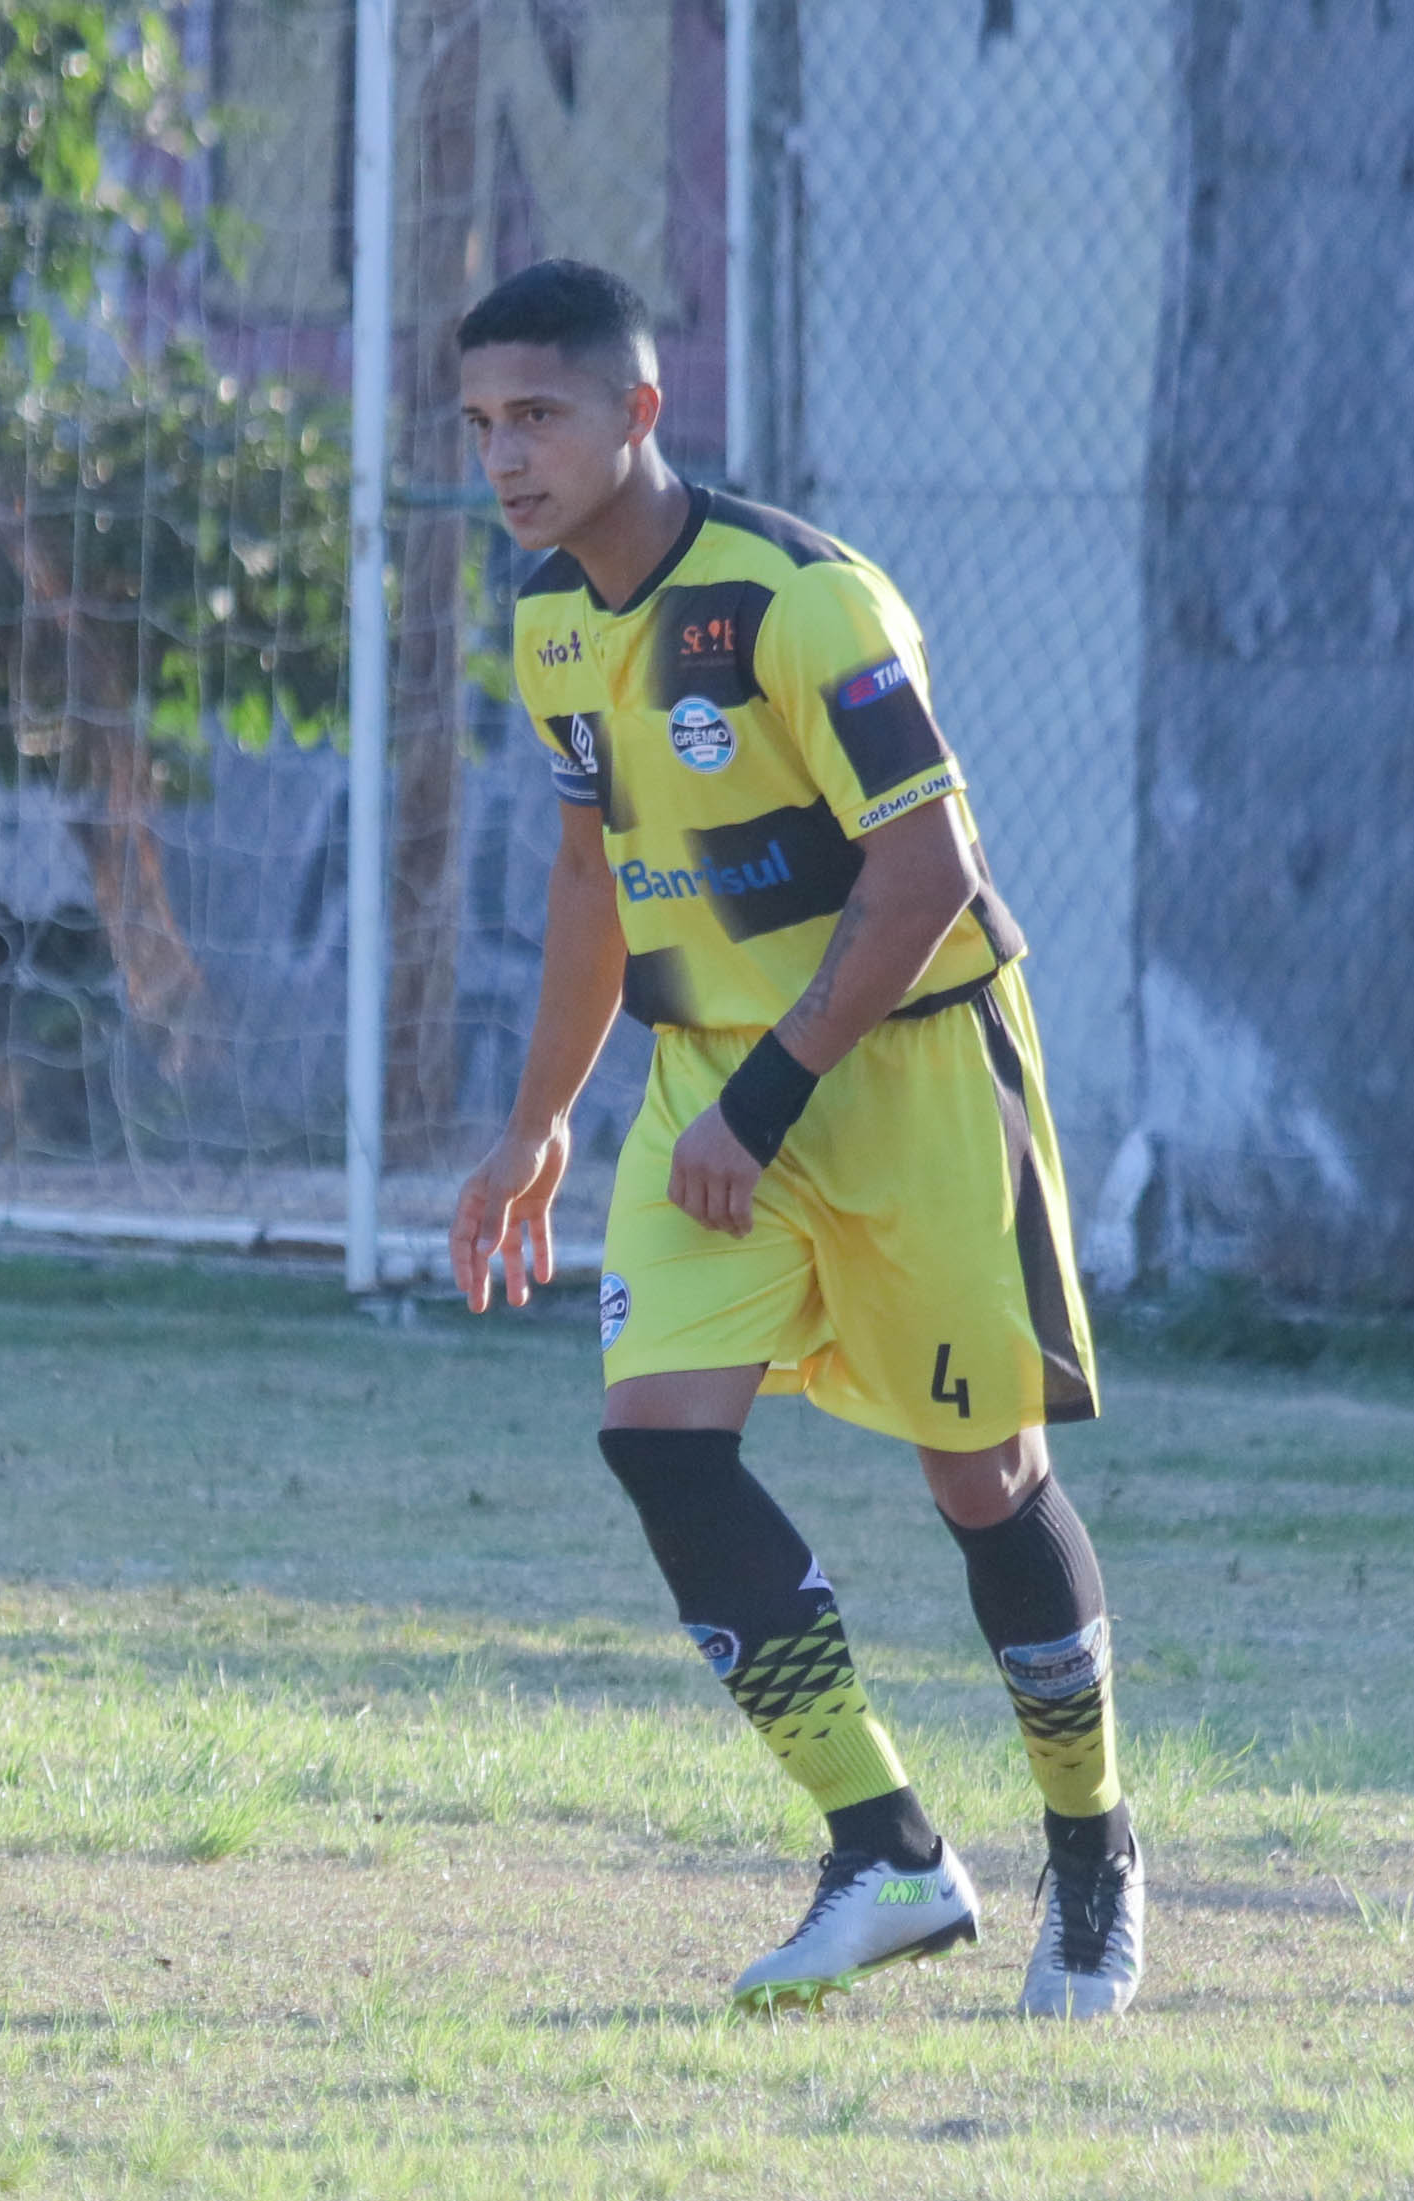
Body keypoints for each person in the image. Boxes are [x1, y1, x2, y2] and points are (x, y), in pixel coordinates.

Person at [447, 258, 1143, 2019]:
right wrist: (535, 1130)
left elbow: (932, 873)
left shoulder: (804, 603)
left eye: (541, 415)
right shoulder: (547, 623)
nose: (509, 457)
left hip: (901, 1077)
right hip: (708, 1089)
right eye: (480, 424)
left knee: (980, 1482)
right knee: (659, 1443)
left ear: (638, 414)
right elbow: (595, 879)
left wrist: (767, 1105)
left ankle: (1091, 1856)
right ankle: (888, 1851)